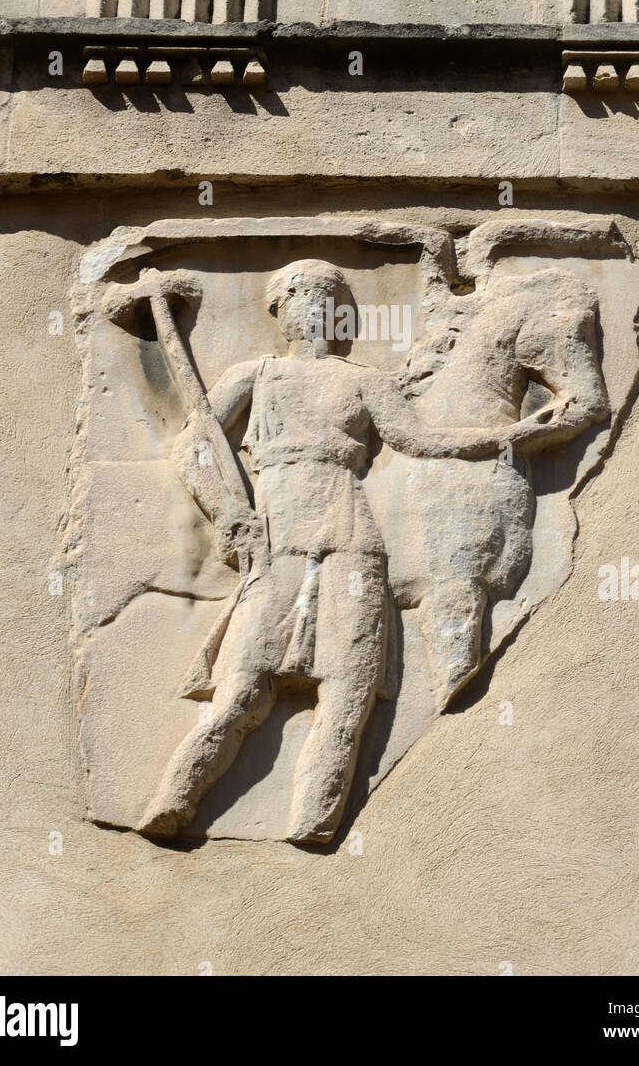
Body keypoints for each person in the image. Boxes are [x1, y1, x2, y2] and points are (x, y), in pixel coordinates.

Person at [139, 258, 515, 844]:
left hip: (352, 540)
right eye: (302, 296)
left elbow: (420, 440)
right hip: (277, 538)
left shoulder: (363, 380)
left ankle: (314, 819)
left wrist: (511, 435)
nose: (317, 309)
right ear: (280, 310)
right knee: (243, 690)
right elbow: (196, 449)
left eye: (331, 299)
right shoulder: (255, 374)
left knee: (350, 690)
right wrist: (228, 512)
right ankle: (174, 801)